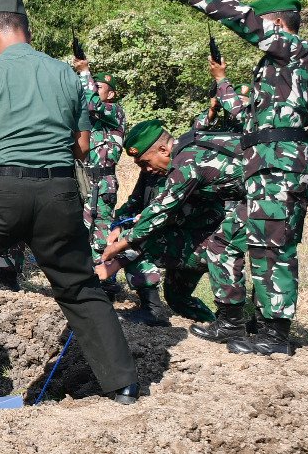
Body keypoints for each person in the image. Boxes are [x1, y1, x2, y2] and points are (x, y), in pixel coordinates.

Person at [0, 0, 141, 406]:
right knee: (79, 287)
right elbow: (81, 146)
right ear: (26, 29)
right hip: (59, 193)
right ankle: (123, 386)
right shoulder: (65, 73)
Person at [170, 0, 308, 357]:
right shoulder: (277, 69)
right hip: (260, 169)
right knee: (225, 242)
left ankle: (274, 334)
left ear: (277, 24)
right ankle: (232, 320)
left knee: (273, 248)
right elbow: (250, 119)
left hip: (281, 169)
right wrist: (221, 81)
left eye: (264, 24)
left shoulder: (297, 51)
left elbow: (244, 20)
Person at [98, 119, 247, 333]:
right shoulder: (158, 168)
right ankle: (214, 320)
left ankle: (231, 322)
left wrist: (115, 254)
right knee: (176, 297)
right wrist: (118, 226)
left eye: (146, 162)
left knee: (141, 240)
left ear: (162, 149)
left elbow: (160, 213)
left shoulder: (186, 162)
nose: (147, 169)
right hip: (188, 239)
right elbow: (135, 203)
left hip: (215, 235)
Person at [71, 54, 127, 291]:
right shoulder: (88, 119)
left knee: (100, 235)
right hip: (81, 178)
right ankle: (83, 278)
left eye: (98, 86)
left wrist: (84, 71)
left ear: (111, 93)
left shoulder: (115, 112)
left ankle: (106, 281)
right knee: (78, 233)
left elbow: (92, 102)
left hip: (102, 182)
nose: (92, 89)